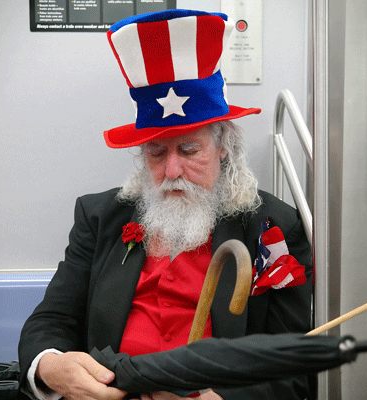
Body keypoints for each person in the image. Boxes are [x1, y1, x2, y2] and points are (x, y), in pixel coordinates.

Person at [18, 9, 312, 400]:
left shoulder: (272, 228)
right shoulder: (100, 216)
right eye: (156, 153)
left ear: (223, 147)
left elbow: (293, 365)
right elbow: (51, 319)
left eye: (189, 150)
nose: (172, 170)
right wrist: (50, 365)